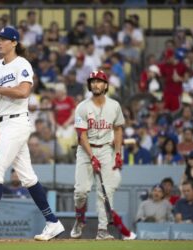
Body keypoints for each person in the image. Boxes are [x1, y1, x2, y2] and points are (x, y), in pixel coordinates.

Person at [0, 27, 64, 241]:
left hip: (17, 122)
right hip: (4, 123)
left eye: (4, 39)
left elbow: (24, 92)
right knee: (28, 177)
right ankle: (53, 222)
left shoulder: (22, 64)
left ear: (14, 42)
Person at [71, 70, 125, 240]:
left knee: (105, 192)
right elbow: (82, 135)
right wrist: (91, 156)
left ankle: (102, 230)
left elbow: (118, 129)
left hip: (105, 150)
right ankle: (80, 219)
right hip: (86, 150)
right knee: (81, 191)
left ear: (106, 85)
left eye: (99, 81)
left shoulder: (114, 105)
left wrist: (117, 153)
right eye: (93, 81)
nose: (95, 84)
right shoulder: (82, 107)